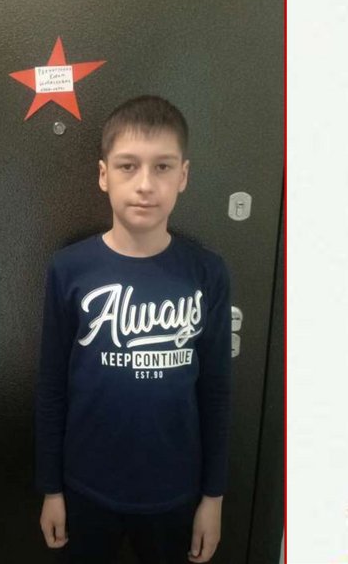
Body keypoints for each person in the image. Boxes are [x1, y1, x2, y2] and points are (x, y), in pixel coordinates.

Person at [35, 95, 233, 563]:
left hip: (176, 494)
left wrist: (214, 497)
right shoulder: (69, 269)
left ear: (183, 175)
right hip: (85, 489)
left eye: (162, 167)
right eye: (128, 166)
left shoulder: (207, 273)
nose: (145, 184)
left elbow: (216, 391)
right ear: (104, 174)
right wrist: (50, 489)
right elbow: (51, 387)